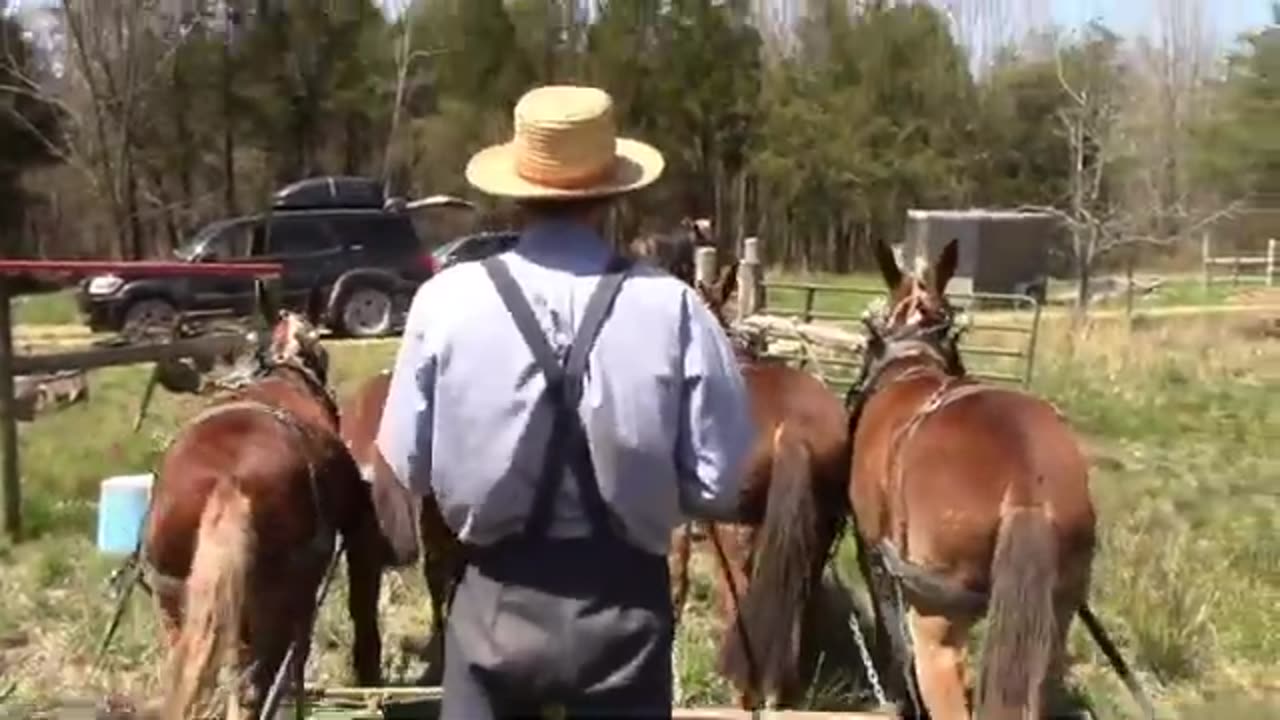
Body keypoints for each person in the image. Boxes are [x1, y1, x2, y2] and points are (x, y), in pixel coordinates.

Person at [375, 84, 756, 719]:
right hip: (626, 616)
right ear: (611, 195)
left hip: (491, 611)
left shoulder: (445, 301)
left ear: (516, 192)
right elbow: (719, 484)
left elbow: (405, 468)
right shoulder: (676, 307)